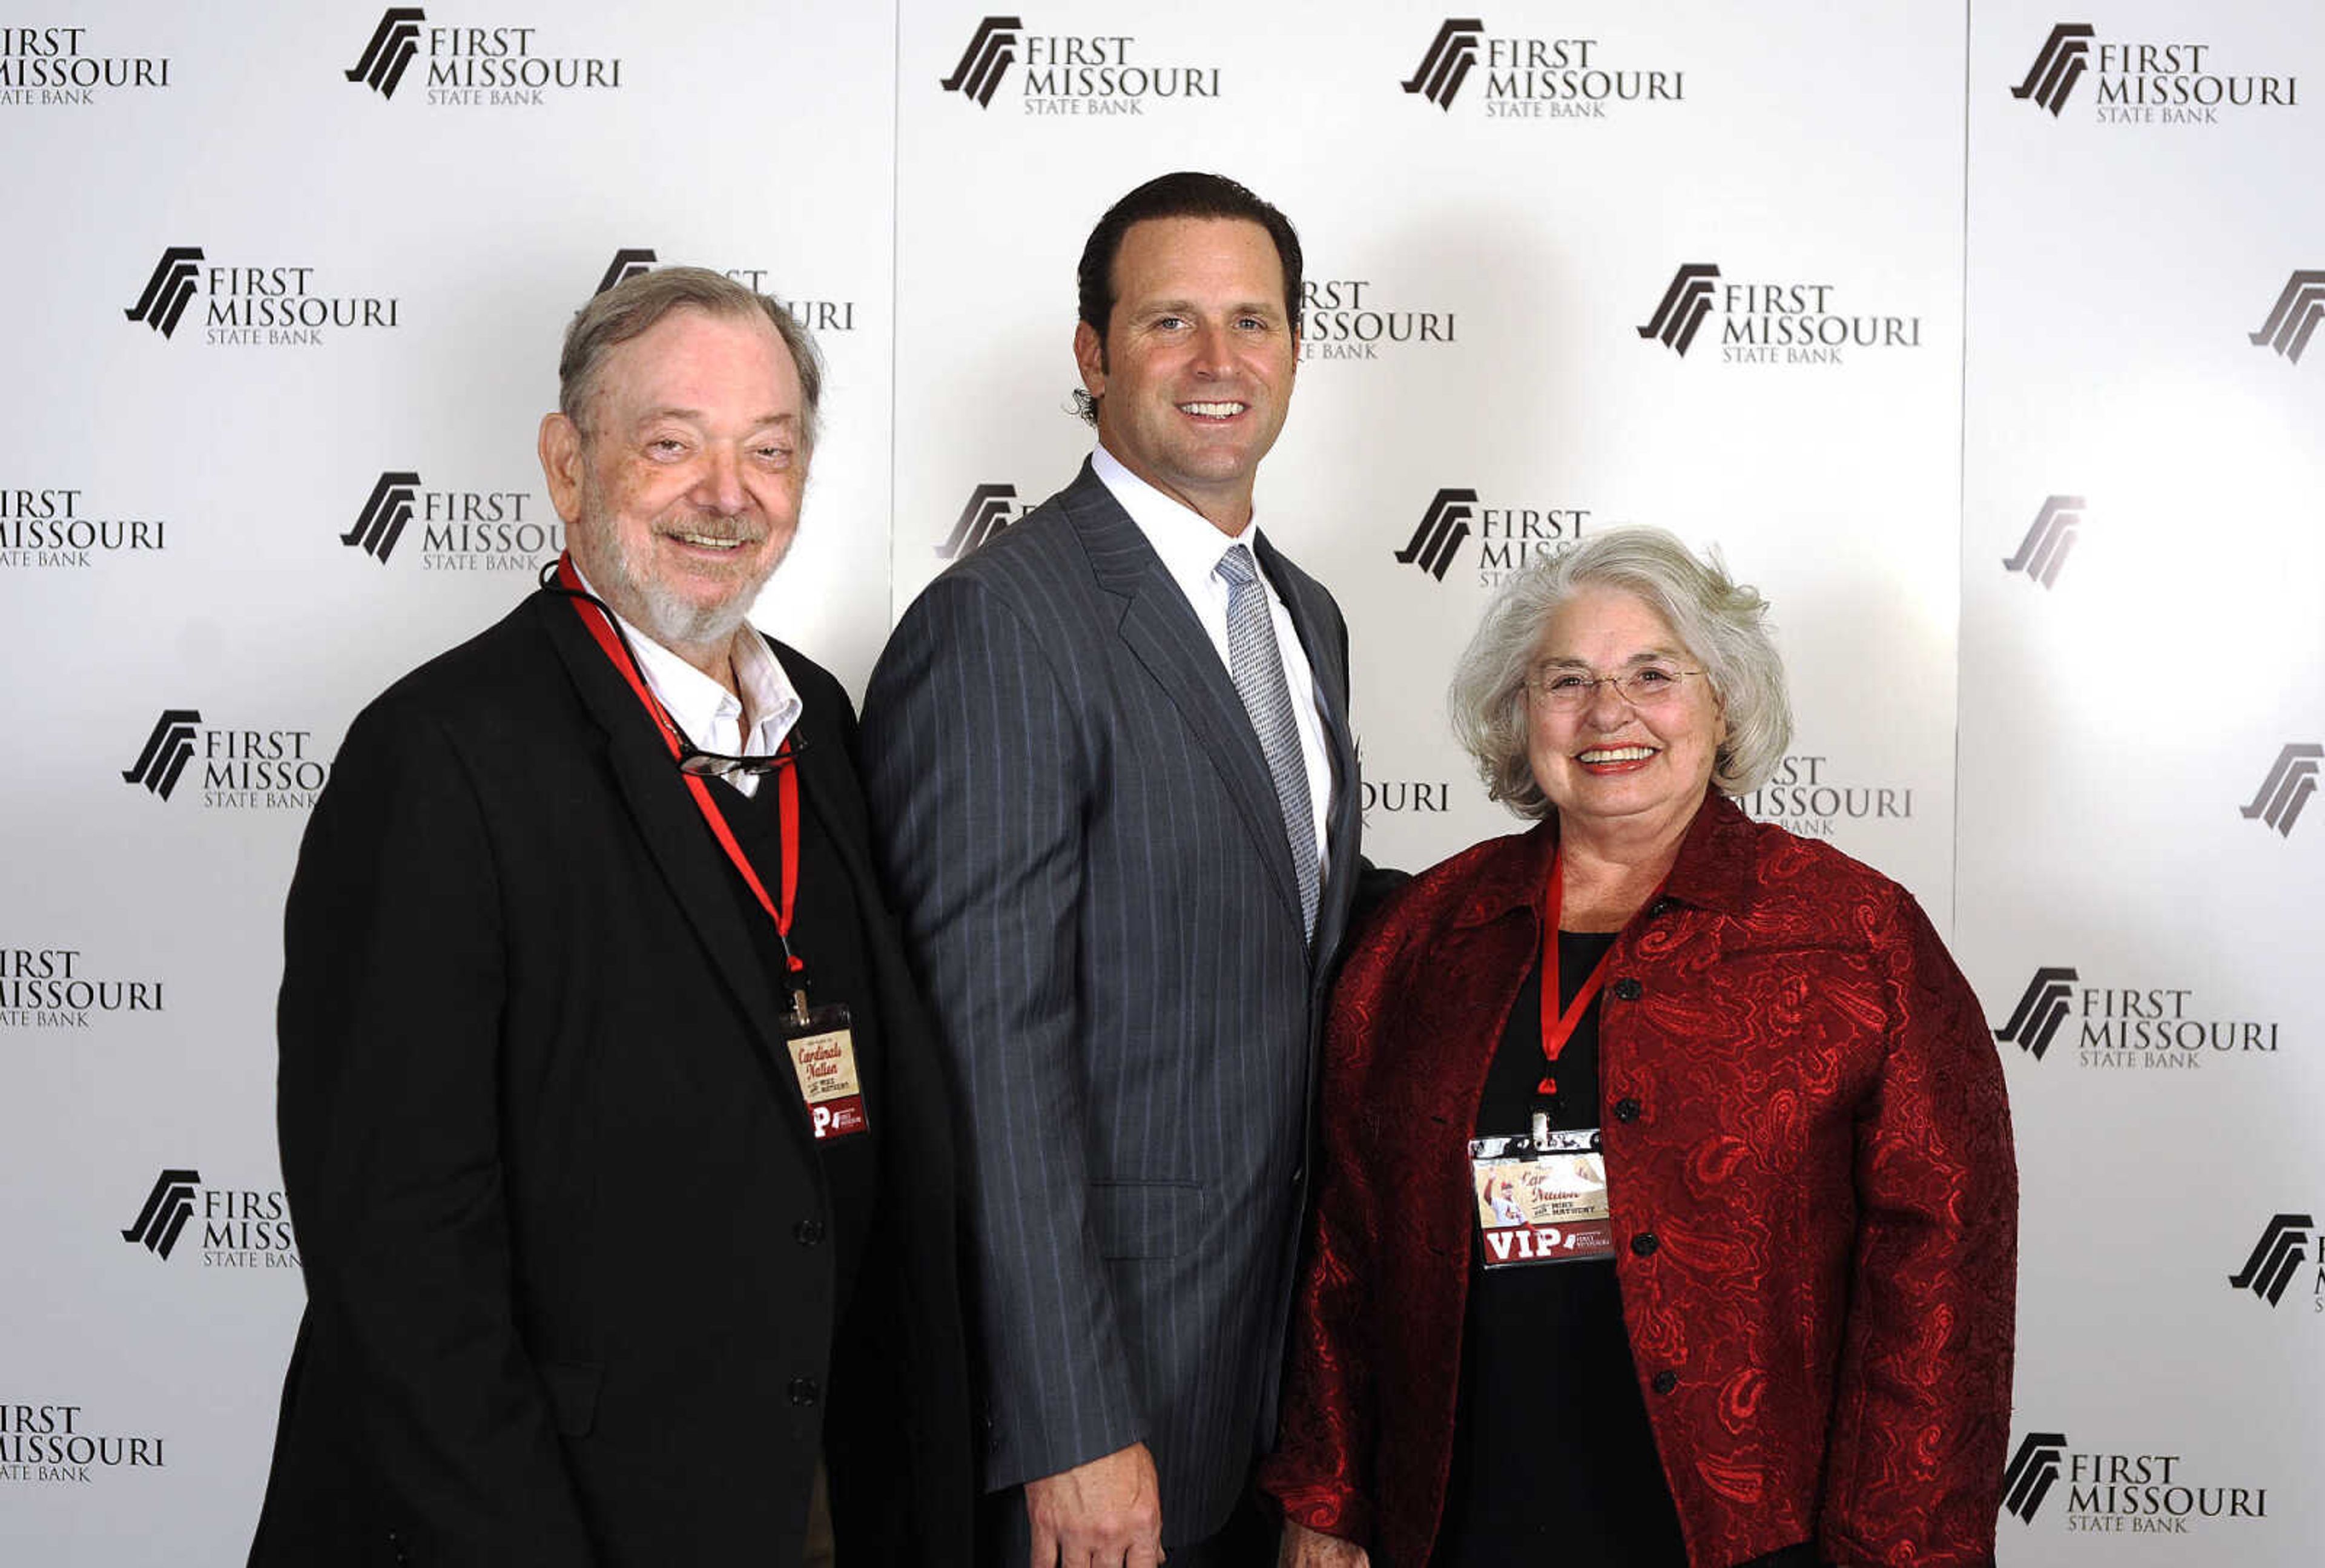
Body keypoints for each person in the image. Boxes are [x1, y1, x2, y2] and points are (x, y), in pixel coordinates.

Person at [248, 267, 974, 1567]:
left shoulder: (820, 721)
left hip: (798, 1496)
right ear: (567, 465)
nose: (726, 493)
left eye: (769, 450)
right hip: (546, 1519)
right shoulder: (437, 756)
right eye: (671, 443)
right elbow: (401, 1260)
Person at [1262, 528, 2016, 1568]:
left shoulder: (1855, 938)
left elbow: (1942, 1285)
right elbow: (1346, 1247)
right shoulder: (1424, 938)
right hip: (1460, 1525)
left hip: (1754, 1537)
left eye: (1653, 674)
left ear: (1723, 701)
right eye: (1567, 679)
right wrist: (1329, 1493)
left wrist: (1901, 1553)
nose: (1610, 714)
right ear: (1520, 714)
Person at [860, 172, 1371, 1568]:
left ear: (1297, 349)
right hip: (1092, 1423)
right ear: (1091, 355)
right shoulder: (1002, 624)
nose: (1220, 363)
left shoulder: (1303, 613)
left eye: (1254, 322)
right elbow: (987, 1054)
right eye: (1170, 322)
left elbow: (1293, 931)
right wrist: (1067, 1424)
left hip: (1256, 1387)